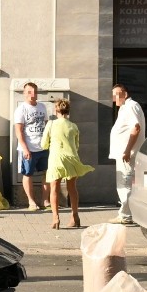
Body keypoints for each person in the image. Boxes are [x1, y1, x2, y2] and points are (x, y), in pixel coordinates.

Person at [41, 98, 93, 230]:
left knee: (54, 188)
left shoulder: (51, 124)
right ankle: (75, 216)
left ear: (56, 110)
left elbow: (43, 144)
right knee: (72, 188)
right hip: (72, 158)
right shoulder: (73, 126)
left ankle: (55, 218)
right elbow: (76, 146)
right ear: (68, 111)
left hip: (56, 158)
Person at [108, 83, 145, 225]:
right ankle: (126, 214)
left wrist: (127, 150)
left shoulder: (131, 106)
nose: (114, 98)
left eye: (116, 94)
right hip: (124, 153)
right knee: (124, 184)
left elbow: (136, 128)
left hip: (127, 154)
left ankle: (126, 215)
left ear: (124, 92)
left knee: (125, 184)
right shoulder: (125, 108)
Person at [14, 82, 50, 211]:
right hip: (29, 148)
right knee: (27, 173)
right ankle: (31, 201)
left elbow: (47, 125)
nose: (32, 94)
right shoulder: (21, 109)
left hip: (43, 147)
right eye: (29, 92)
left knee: (47, 173)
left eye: (34, 91)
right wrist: (25, 148)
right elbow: (18, 131)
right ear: (24, 93)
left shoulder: (42, 107)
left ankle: (45, 200)